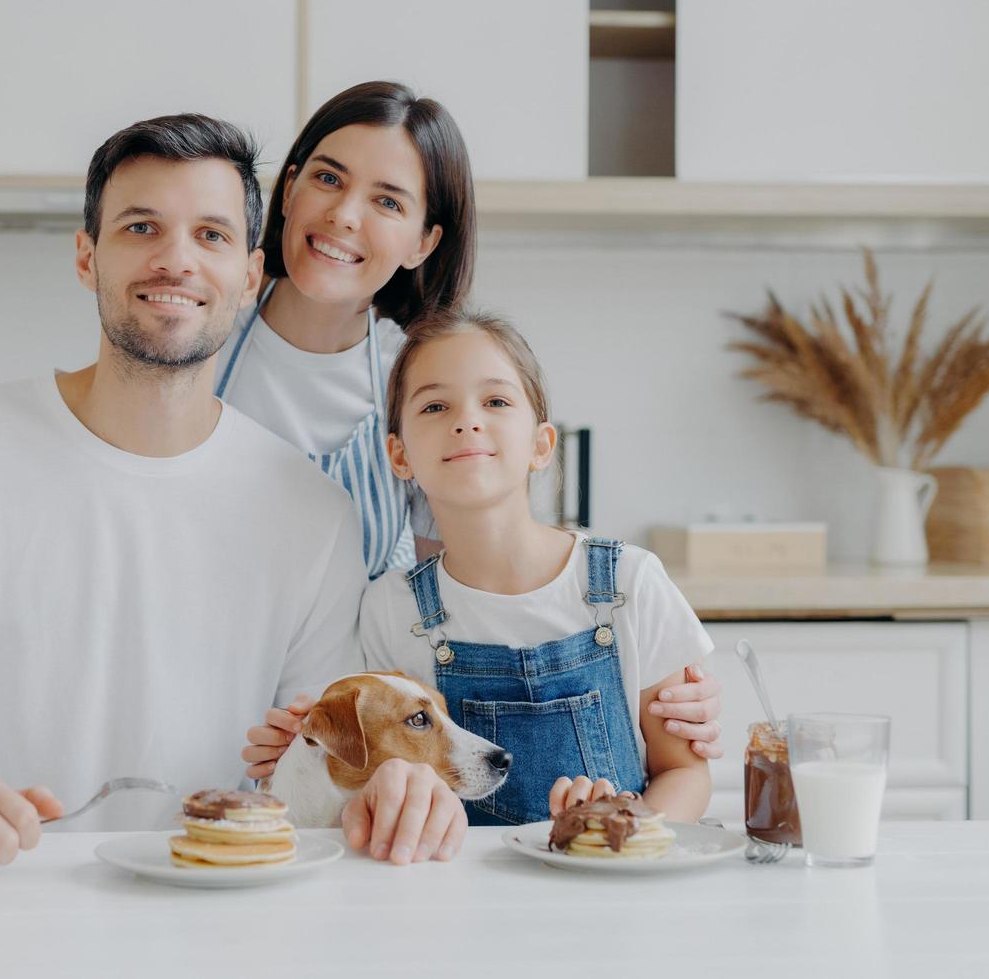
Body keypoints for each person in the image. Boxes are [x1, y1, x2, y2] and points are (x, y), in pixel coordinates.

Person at [0, 81, 727, 760]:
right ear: (285, 195)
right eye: (327, 179)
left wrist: (636, 684)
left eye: (388, 200)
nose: (342, 215)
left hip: (331, 744)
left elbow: (499, 584)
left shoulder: (428, 388)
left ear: (423, 242)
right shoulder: (183, 332)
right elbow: (51, 477)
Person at [0, 114, 395, 883]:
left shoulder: (312, 515)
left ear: (249, 273)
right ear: (86, 255)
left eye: (211, 235)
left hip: (211, 916)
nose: (175, 260)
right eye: (141, 227)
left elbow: (317, 782)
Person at [246, 309, 712, 845]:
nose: (467, 420)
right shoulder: (390, 608)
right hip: (453, 902)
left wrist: (627, 830)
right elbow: (370, 779)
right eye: (436, 405)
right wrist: (299, 751)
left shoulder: (630, 582)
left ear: (541, 444)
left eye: (495, 401)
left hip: (613, 894)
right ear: (399, 455)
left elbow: (685, 772)